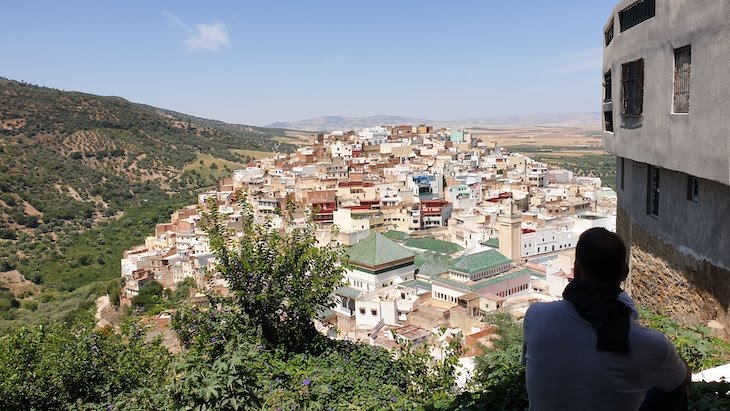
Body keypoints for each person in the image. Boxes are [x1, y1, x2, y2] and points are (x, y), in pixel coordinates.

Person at [522, 227, 691, 411]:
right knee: (673, 390)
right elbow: (683, 378)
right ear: (625, 273)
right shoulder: (651, 344)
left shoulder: (536, 316)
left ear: (576, 270)